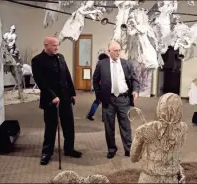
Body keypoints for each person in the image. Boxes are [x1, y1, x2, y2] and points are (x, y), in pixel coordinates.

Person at [31, 36, 82, 166]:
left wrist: (72, 93)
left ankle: (69, 149)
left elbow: (67, 75)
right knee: (51, 127)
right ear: (46, 45)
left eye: (57, 45)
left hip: (65, 98)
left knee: (68, 126)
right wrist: (53, 96)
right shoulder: (37, 60)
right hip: (51, 100)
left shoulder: (61, 57)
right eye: (54, 45)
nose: (57, 48)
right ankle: (47, 153)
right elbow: (41, 82)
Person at [93, 41, 140, 159]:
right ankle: (111, 149)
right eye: (115, 51)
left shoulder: (126, 64)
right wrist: (100, 96)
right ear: (109, 51)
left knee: (126, 125)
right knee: (109, 126)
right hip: (108, 100)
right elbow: (95, 80)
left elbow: (134, 79)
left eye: (119, 50)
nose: (118, 53)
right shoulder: (102, 64)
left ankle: (128, 149)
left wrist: (135, 91)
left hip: (123, 99)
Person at [86, 53, 109, 121]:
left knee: (98, 101)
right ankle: (103, 117)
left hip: (98, 86)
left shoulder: (98, 65)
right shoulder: (103, 66)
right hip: (102, 86)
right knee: (102, 101)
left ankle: (91, 115)